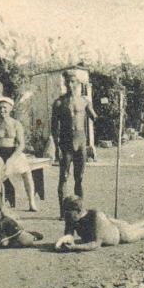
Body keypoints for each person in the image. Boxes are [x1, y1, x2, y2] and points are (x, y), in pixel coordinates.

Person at [51, 69, 97, 211]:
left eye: (73, 82)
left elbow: (95, 118)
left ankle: (79, 209)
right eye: (68, 82)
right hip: (65, 143)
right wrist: (56, 146)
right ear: (65, 84)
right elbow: (53, 127)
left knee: (79, 177)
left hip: (81, 142)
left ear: (77, 84)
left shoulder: (84, 101)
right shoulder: (59, 103)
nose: (70, 85)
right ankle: (63, 211)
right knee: (64, 177)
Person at [55, 196, 144, 252]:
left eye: (68, 212)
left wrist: (75, 247)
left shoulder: (96, 216)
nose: (66, 215)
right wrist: (66, 239)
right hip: (111, 224)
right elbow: (69, 233)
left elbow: (95, 244)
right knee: (134, 225)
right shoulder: (71, 217)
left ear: (79, 211)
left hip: (121, 234)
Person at [0, 97, 40, 211]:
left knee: (27, 173)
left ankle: (32, 202)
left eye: (5, 108)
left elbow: (21, 144)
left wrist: (12, 159)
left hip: (13, 152)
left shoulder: (16, 124)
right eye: (0, 108)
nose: (2, 111)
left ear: (10, 109)